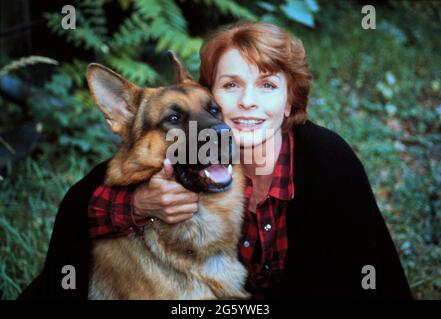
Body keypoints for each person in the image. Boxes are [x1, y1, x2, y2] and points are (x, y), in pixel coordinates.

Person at [20, 21, 412, 300]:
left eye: (268, 86)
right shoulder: (184, 152)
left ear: (290, 100)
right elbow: (82, 205)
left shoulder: (328, 162)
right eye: (230, 86)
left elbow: (362, 273)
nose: (247, 102)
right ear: (212, 91)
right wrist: (137, 204)